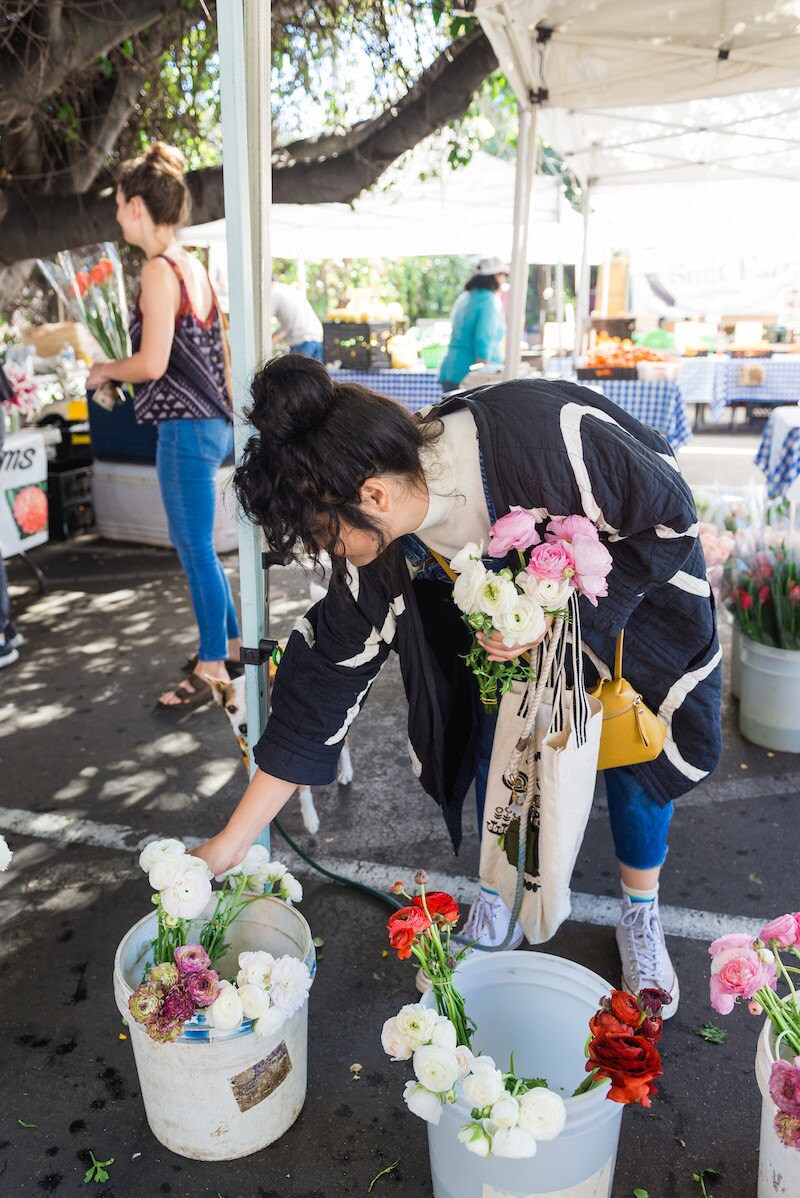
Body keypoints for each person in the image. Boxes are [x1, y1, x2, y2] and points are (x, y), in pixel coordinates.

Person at [194, 355, 722, 1017]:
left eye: (328, 537)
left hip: (632, 617)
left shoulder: (546, 437)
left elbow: (668, 515)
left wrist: (566, 614)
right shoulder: (383, 538)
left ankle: (640, 914)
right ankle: (498, 895)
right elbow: (322, 681)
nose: (332, 556)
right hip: (511, 644)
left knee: (635, 759)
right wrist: (230, 843)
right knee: (496, 757)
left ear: (375, 497)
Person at [86, 142, 241, 709]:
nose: (117, 214)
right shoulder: (189, 263)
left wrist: (103, 367)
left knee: (194, 549)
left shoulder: (157, 269)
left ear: (133, 205)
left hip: (184, 427)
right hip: (209, 421)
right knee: (197, 546)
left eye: (118, 203)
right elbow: (213, 349)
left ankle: (210, 664)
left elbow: (151, 364)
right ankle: (229, 643)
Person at [439, 257, 508, 394]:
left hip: (451, 370)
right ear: (496, 276)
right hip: (469, 376)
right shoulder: (490, 301)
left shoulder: (464, 297)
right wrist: (483, 376)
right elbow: (484, 338)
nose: (505, 279)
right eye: (504, 275)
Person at [271, 280, 324, 361]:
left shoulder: (274, 292)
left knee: (299, 372)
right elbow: (287, 323)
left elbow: (265, 319)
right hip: (316, 336)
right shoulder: (289, 290)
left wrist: (272, 338)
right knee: (316, 372)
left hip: (302, 340)